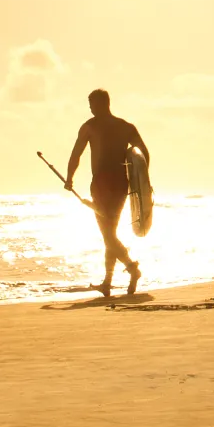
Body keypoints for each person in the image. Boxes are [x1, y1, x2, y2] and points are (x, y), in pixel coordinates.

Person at [63, 89, 148, 296]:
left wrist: (69, 178)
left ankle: (132, 268)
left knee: (108, 234)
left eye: (92, 104)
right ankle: (108, 282)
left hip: (101, 185)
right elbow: (144, 153)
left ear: (102, 104)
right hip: (121, 184)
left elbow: (76, 154)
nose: (90, 108)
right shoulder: (126, 127)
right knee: (110, 232)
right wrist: (143, 183)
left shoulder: (89, 127)